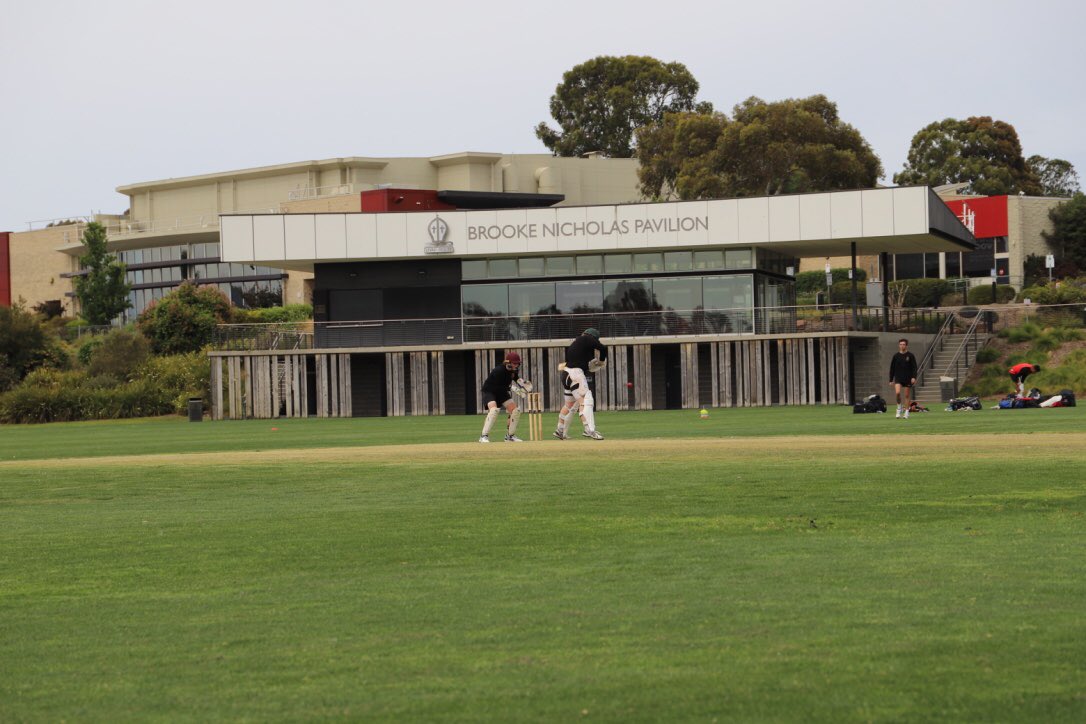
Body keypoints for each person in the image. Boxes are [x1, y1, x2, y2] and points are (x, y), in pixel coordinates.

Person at [554, 328, 607, 440]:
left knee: (568, 405)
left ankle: (560, 429)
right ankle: (589, 430)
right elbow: (603, 348)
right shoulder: (587, 338)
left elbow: (586, 364)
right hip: (576, 374)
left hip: (566, 374)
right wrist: (601, 361)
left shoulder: (577, 343)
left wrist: (592, 364)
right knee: (586, 400)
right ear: (593, 337)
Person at [478, 351, 532, 443]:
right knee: (494, 410)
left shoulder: (514, 370)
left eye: (518, 363)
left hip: (502, 392)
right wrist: (514, 389)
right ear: (508, 362)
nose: (516, 365)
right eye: (514, 363)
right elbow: (497, 385)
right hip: (490, 390)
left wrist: (523, 384)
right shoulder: (499, 370)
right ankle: (483, 436)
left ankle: (510, 436)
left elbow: (516, 378)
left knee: (515, 411)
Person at [888, 338, 918, 419]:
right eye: (900, 344)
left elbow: (914, 367)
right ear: (899, 345)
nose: (902, 346)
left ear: (906, 345)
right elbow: (892, 368)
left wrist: (914, 377)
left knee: (907, 395)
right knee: (897, 393)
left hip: (908, 378)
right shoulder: (896, 356)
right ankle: (899, 408)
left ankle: (907, 412)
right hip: (898, 378)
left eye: (903, 344)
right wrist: (891, 379)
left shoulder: (910, 355)